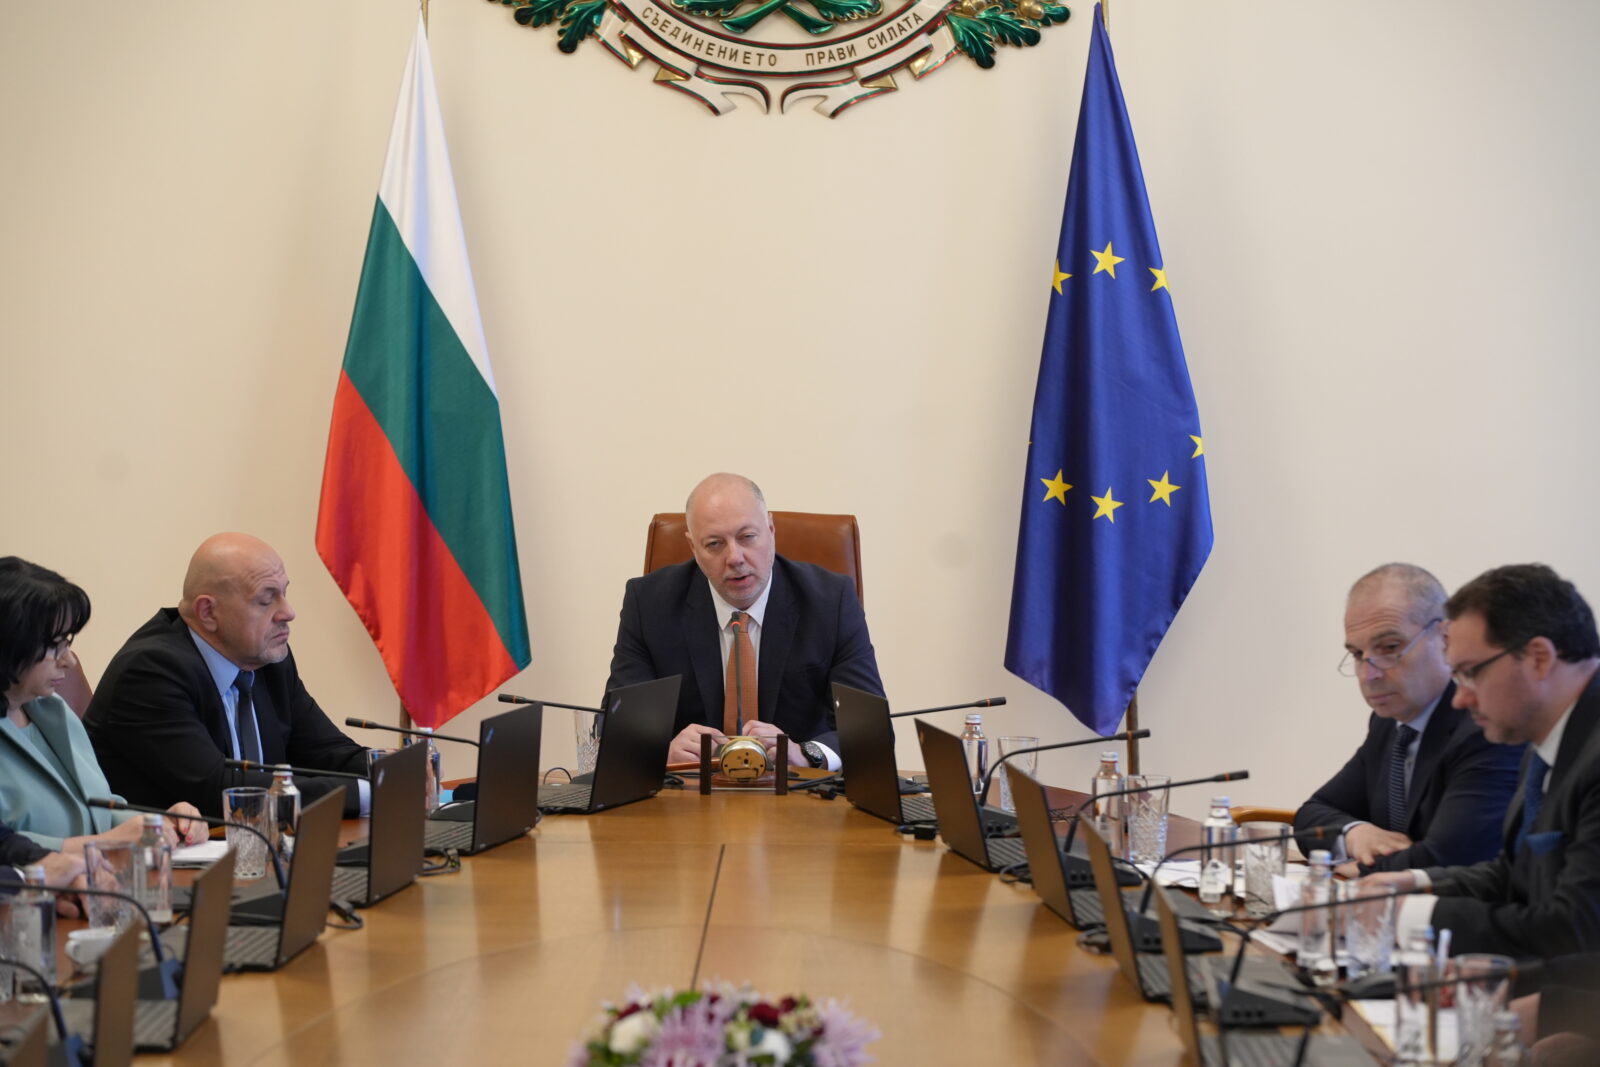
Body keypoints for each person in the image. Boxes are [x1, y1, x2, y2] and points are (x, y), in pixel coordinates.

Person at [1365, 563, 1600, 960]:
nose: (1460, 699)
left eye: (1470, 673)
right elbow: (1514, 874)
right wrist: (1415, 883)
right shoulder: (1543, 743)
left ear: (1539, 658)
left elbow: (1574, 929)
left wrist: (1408, 916)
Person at [605, 473, 884, 770]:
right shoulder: (649, 604)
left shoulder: (830, 602)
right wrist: (660, 751)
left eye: (747, 537)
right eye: (714, 544)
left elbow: (871, 730)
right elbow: (616, 725)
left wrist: (807, 754)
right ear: (693, 547)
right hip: (688, 790)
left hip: (798, 789)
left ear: (771, 529)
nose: (735, 557)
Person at [85, 534, 371, 818]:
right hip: (178, 846)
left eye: (284, 593)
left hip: (253, 841)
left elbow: (328, 752)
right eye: (266, 600)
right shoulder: (150, 673)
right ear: (208, 612)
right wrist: (366, 794)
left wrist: (390, 773)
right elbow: (220, 790)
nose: (288, 612)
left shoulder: (268, 659)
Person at [1294, 563, 1522, 876]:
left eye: (1389, 648)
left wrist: (1360, 869)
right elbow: (1312, 814)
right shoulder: (1389, 724)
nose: (1369, 674)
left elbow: (1447, 860)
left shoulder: (1483, 727)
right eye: (1358, 654)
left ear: (1445, 638)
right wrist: (1355, 833)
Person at [0, 557, 203, 852]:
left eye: (68, 643)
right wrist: (102, 844)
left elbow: (100, 812)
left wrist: (161, 824)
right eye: (55, 645)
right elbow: (6, 848)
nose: (69, 660)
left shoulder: (52, 709)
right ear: (9, 645)